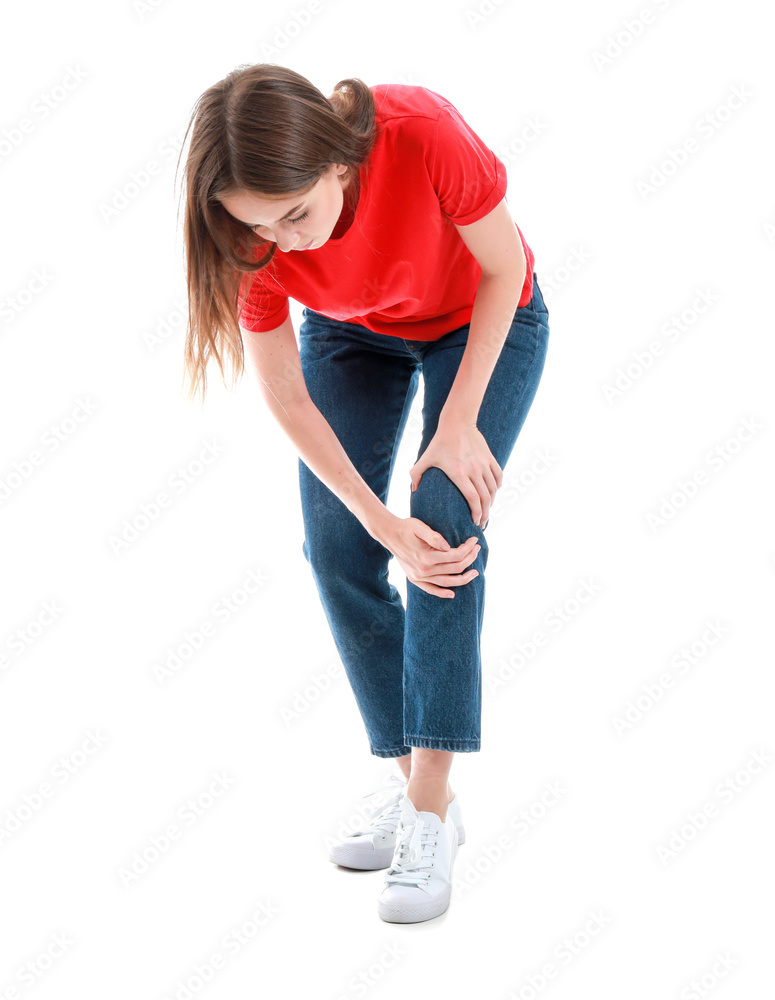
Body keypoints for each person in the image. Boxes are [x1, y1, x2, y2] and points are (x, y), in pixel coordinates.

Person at [177, 63, 549, 923]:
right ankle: (421, 793)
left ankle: (427, 805)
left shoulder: (421, 133)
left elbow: (504, 270)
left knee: (444, 523)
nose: (285, 242)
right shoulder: (252, 242)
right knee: (339, 545)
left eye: (298, 213)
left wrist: (454, 430)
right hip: (354, 336)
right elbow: (286, 396)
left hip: (482, 314)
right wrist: (372, 515)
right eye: (258, 227)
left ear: (340, 162)